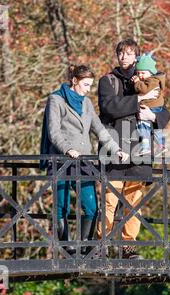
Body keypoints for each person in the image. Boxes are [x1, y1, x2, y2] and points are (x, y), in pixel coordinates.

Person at [40, 64, 129, 256]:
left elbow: (100, 130)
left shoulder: (87, 103)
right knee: (61, 207)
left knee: (92, 207)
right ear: (75, 81)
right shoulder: (56, 99)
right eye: (86, 85)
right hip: (61, 161)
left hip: (83, 163)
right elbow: (53, 132)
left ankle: (83, 247)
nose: (88, 89)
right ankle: (66, 248)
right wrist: (67, 149)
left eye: (90, 85)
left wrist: (116, 149)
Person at [96, 39, 170, 259]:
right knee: (109, 200)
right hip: (115, 149)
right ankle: (102, 245)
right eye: (120, 53)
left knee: (133, 202)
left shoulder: (150, 79)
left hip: (140, 151)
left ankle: (128, 248)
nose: (123, 57)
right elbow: (108, 108)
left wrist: (153, 116)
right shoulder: (107, 81)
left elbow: (164, 111)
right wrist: (138, 100)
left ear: (136, 57)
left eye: (128, 54)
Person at [131, 52, 167, 156]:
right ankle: (161, 145)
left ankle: (145, 147)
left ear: (150, 72)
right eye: (138, 73)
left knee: (142, 125)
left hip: (152, 106)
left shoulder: (152, 81)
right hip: (155, 106)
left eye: (143, 73)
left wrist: (136, 82)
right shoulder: (154, 79)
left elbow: (143, 89)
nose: (140, 76)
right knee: (156, 129)